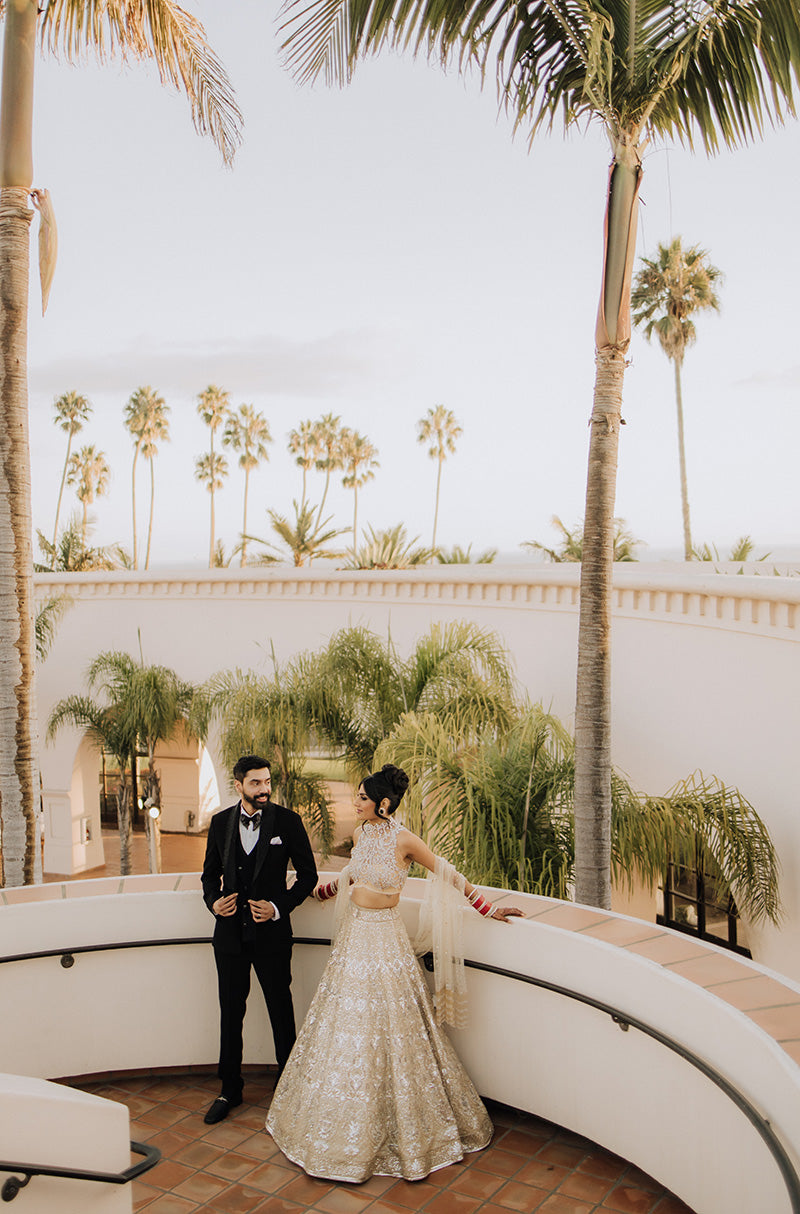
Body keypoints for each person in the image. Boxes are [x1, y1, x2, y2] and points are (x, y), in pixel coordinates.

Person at [266, 763, 523, 1182]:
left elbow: (448, 873)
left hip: (386, 940)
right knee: (346, 1026)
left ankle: (407, 1127)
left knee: (394, 1029)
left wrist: (488, 909)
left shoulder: (405, 840)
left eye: (363, 798)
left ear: (383, 804)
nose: (356, 803)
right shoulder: (362, 833)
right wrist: (325, 891)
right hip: (354, 938)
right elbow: (353, 874)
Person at [201, 754, 317, 1125]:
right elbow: (208, 877)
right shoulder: (220, 823)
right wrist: (214, 903)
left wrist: (278, 907)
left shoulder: (287, 821)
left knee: (280, 1010)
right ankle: (229, 1089)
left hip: (272, 936)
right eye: (255, 783)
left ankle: (290, 1086)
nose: (264, 789)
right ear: (238, 785)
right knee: (230, 1013)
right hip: (230, 937)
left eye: (267, 782)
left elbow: (307, 877)